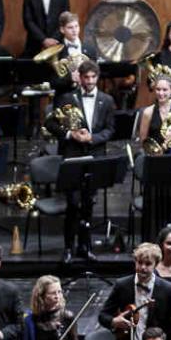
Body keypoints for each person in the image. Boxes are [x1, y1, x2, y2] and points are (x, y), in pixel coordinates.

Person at [49, 57, 115, 262]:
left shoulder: (107, 100)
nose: (89, 81)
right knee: (73, 203)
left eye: (93, 77)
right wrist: (71, 135)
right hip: (73, 156)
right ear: (80, 78)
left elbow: (110, 129)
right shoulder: (67, 98)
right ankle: (68, 247)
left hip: (94, 156)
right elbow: (51, 124)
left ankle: (85, 247)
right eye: (86, 77)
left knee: (88, 203)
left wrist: (92, 138)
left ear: (97, 77)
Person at [100, 243, 171, 340]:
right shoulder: (122, 285)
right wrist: (114, 321)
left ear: (156, 264)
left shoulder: (168, 289)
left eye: (148, 264)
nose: (142, 267)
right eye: (139, 263)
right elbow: (103, 316)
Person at [133, 72, 171, 239]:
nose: (161, 93)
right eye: (158, 89)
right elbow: (143, 140)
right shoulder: (148, 112)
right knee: (155, 206)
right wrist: (155, 150)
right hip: (156, 164)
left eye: (165, 90)